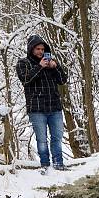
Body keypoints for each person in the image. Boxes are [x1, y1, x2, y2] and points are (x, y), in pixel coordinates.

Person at [16, 34, 69, 173]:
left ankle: (58, 164)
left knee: (57, 138)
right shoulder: (23, 63)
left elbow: (63, 80)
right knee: (42, 140)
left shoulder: (51, 62)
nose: (40, 51)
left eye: (42, 49)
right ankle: (45, 165)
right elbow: (25, 80)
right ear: (31, 49)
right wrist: (39, 67)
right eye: (37, 49)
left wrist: (55, 67)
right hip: (37, 110)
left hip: (55, 107)